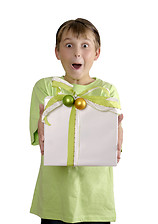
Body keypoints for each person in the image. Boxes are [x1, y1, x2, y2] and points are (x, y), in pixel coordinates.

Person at [29, 18, 123, 224]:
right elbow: (41, 138)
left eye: (85, 46)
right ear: (57, 52)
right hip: (55, 198)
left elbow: (115, 133)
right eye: (69, 45)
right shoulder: (46, 87)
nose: (77, 53)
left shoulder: (106, 91)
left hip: (95, 198)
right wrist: (43, 129)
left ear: (97, 53)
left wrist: (117, 137)